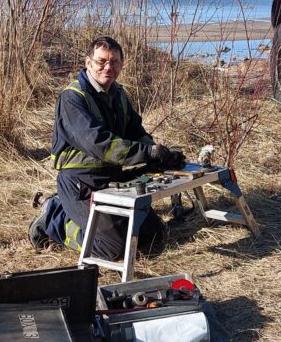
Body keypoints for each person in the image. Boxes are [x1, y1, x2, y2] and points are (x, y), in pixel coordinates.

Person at [29, 35, 185, 258]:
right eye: (101, 61)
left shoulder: (119, 94)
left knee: (154, 235)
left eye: (114, 62)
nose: (108, 67)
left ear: (121, 64)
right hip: (80, 184)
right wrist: (146, 153)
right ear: (88, 63)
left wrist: (158, 154)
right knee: (112, 248)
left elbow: (136, 132)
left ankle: (77, 216)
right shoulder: (72, 98)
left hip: (113, 178)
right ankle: (55, 219)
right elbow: (99, 144)